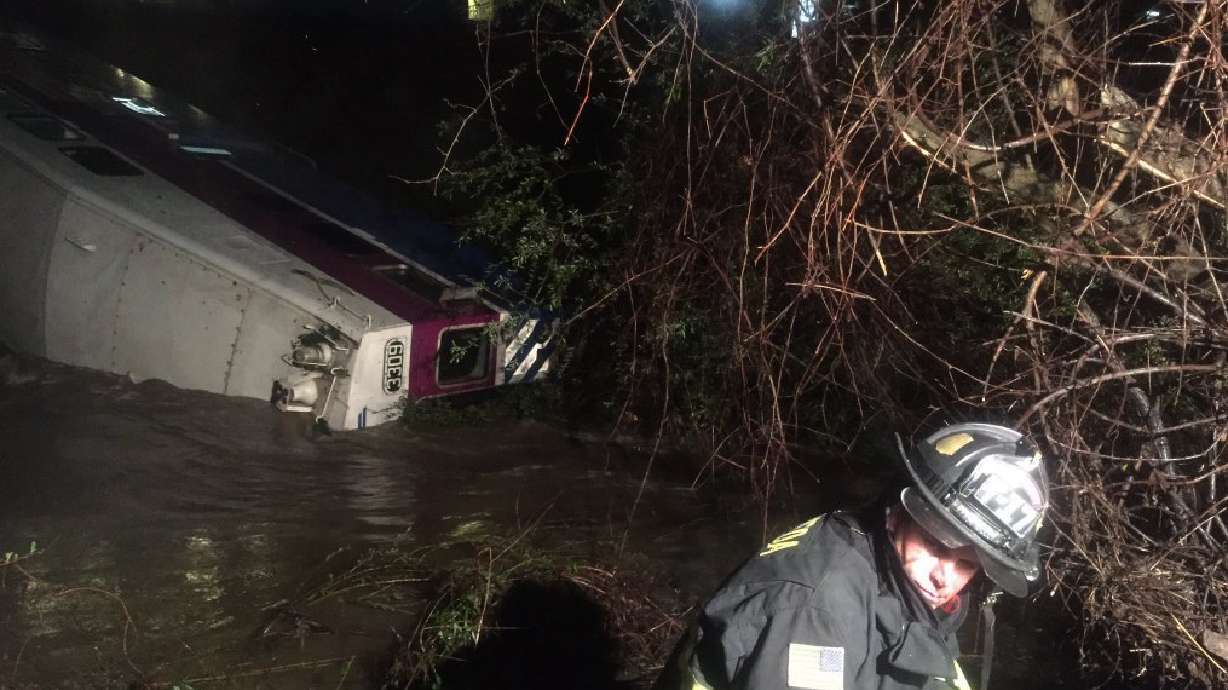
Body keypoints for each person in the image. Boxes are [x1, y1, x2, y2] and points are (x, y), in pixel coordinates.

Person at [659, 423, 1049, 690]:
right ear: (899, 514)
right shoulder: (814, 612)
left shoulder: (892, 567)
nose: (945, 578)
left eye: (967, 564)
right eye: (938, 547)